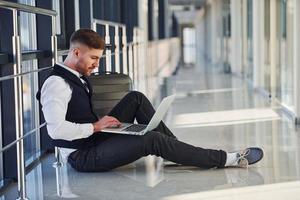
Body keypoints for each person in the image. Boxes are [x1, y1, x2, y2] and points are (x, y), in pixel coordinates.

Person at [37, 29, 263, 172]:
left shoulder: (76, 76)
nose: (97, 64)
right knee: (151, 139)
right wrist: (96, 126)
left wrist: (99, 126)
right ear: (76, 53)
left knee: (135, 98)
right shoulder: (56, 84)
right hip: (82, 156)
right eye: (94, 58)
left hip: (93, 139)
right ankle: (227, 159)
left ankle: (175, 150)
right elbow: (56, 131)